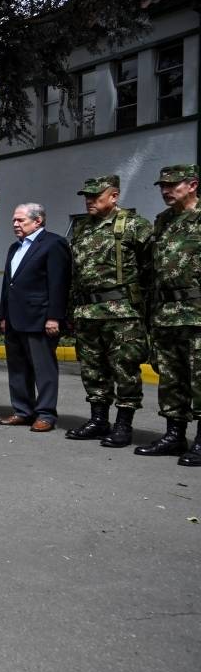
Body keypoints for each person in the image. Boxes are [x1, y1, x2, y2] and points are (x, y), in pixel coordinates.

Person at [64, 175, 152, 448]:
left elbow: (151, 269)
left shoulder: (135, 225)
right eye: (86, 196)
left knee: (124, 369)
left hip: (122, 312)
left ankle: (123, 425)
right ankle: (98, 420)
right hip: (88, 311)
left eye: (95, 196)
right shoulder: (81, 228)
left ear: (113, 196)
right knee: (92, 370)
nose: (89, 200)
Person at [136, 164, 201, 465]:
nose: (165, 191)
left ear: (192, 185)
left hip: (197, 313)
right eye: (162, 186)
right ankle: (174, 435)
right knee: (171, 378)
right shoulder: (162, 221)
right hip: (166, 313)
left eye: (172, 185)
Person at [0, 203, 71, 431]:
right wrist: (3, 314)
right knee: (17, 368)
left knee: (43, 369)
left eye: (20, 220)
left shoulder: (53, 244)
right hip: (14, 317)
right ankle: (22, 410)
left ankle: (46, 414)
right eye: (13, 221)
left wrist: (54, 317)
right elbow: (9, 284)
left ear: (37, 221)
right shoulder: (14, 248)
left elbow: (59, 284)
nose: (15, 224)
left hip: (39, 318)